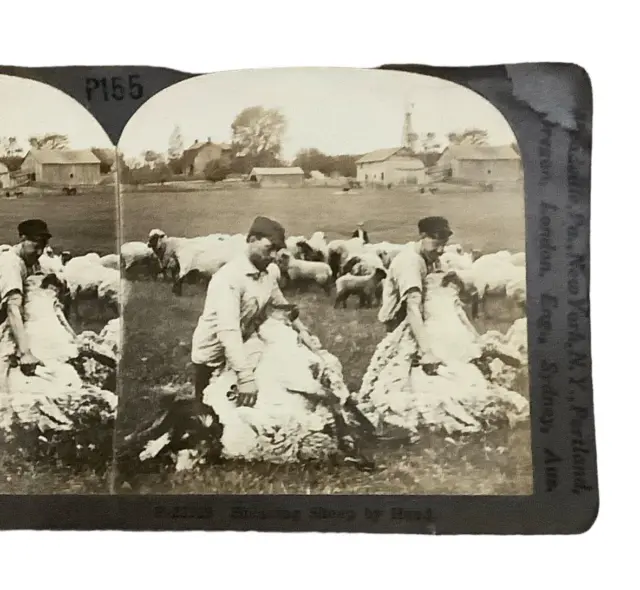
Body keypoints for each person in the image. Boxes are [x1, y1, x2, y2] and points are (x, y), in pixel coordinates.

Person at [190, 216, 320, 406]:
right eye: (270, 248)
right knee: (210, 412)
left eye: (278, 250)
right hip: (213, 355)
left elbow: (282, 303)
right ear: (252, 240)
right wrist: (245, 377)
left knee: (248, 407)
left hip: (242, 348)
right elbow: (228, 330)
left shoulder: (266, 274)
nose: (274, 256)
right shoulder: (229, 278)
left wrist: (303, 331)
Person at [0, 219, 51, 381]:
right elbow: (12, 307)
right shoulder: (10, 263)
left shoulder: (32, 263)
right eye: (35, 246)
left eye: (42, 246)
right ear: (22, 238)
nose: (39, 252)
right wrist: (25, 353)